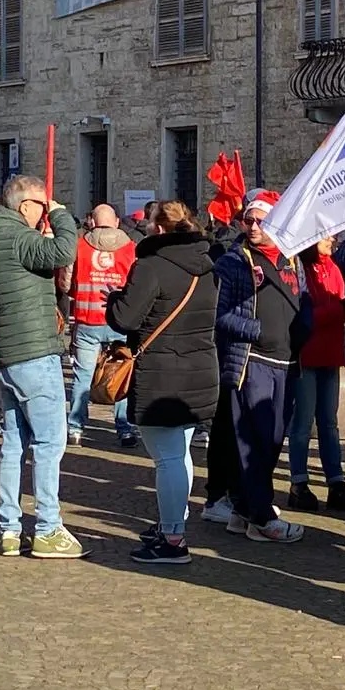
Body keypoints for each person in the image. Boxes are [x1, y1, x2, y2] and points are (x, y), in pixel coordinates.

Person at [0, 175, 83, 558]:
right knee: (51, 443)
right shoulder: (18, 238)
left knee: (15, 444)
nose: (45, 212)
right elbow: (65, 252)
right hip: (34, 351)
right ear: (25, 206)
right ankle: (49, 527)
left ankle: (10, 528)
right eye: (42, 205)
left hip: (6, 353)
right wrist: (64, 216)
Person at [106, 200, 220, 565]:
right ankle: (174, 523)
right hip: (200, 366)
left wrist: (113, 299)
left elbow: (126, 317)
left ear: (157, 228)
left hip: (163, 372)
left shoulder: (151, 266)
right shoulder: (209, 264)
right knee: (179, 453)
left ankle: (173, 537)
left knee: (168, 458)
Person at [212, 191, 309, 544]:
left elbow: (304, 298)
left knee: (271, 442)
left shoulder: (292, 260)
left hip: (287, 362)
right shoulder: (234, 262)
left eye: (261, 221)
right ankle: (263, 516)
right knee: (252, 442)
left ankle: (243, 510)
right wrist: (256, 329)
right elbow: (218, 315)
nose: (253, 227)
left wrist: (305, 326)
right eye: (248, 221)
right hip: (251, 363)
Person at [286, 235, 345, 513]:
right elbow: (304, 313)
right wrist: (335, 310)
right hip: (307, 353)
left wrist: (338, 310)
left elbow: (340, 305)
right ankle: (299, 481)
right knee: (302, 422)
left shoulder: (333, 267)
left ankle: (336, 480)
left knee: (329, 422)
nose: (332, 240)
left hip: (329, 353)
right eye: (325, 236)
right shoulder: (299, 269)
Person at [66, 204, 139, 447]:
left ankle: (75, 427)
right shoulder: (131, 247)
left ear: (92, 223)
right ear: (116, 222)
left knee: (82, 376)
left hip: (87, 319)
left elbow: (66, 282)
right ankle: (124, 428)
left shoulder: (79, 245)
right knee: (122, 375)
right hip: (120, 321)